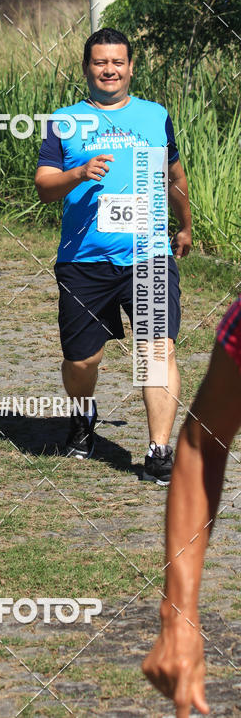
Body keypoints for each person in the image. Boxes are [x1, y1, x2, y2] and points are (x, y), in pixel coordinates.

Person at [35, 28, 192, 483]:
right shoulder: (64, 121)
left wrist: (184, 224)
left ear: (130, 66)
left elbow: (174, 174)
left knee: (155, 351)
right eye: (100, 62)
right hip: (84, 259)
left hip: (148, 256)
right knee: (83, 360)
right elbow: (45, 187)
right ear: (86, 68)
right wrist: (78, 173)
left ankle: (159, 450)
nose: (109, 70)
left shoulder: (155, 115)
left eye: (118, 62)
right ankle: (83, 416)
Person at [142, 296, 241, 716]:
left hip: (147, 258)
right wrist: (178, 616)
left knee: (158, 344)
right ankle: (152, 443)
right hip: (103, 260)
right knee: (149, 346)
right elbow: (204, 441)